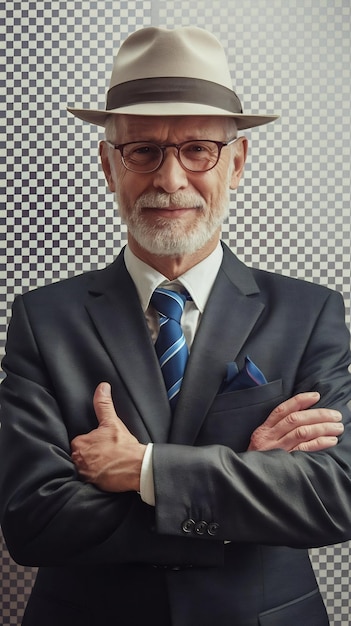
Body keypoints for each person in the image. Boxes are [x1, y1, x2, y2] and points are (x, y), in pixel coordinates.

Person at [1, 26, 351, 626]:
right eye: (143, 151)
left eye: (198, 150)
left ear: (236, 162)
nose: (169, 180)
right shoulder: (41, 318)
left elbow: (335, 496)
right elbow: (35, 522)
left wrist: (143, 472)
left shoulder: (311, 311)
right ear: (110, 166)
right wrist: (247, 476)